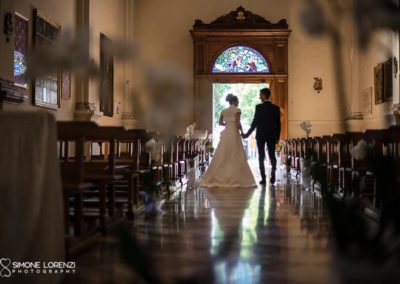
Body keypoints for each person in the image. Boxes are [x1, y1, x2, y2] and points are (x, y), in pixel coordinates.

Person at [198, 94, 256, 188]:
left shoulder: (223, 111)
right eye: (238, 101)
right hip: (234, 133)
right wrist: (242, 131)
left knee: (223, 153)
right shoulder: (237, 110)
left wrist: (228, 124)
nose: (238, 103)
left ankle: (218, 175)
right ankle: (235, 176)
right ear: (234, 101)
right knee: (235, 153)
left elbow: (220, 123)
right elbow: (238, 123)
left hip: (226, 132)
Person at [242, 88, 281, 185]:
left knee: (261, 156)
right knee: (272, 155)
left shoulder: (259, 107)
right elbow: (278, 124)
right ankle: (273, 174)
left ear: (264, 95)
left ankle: (263, 178)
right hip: (272, 135)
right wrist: (277, 137)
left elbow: (254, 123)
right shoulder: (276, 108)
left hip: (261, 135)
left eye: (260, 94)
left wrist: (247, 134)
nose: (259, 96)